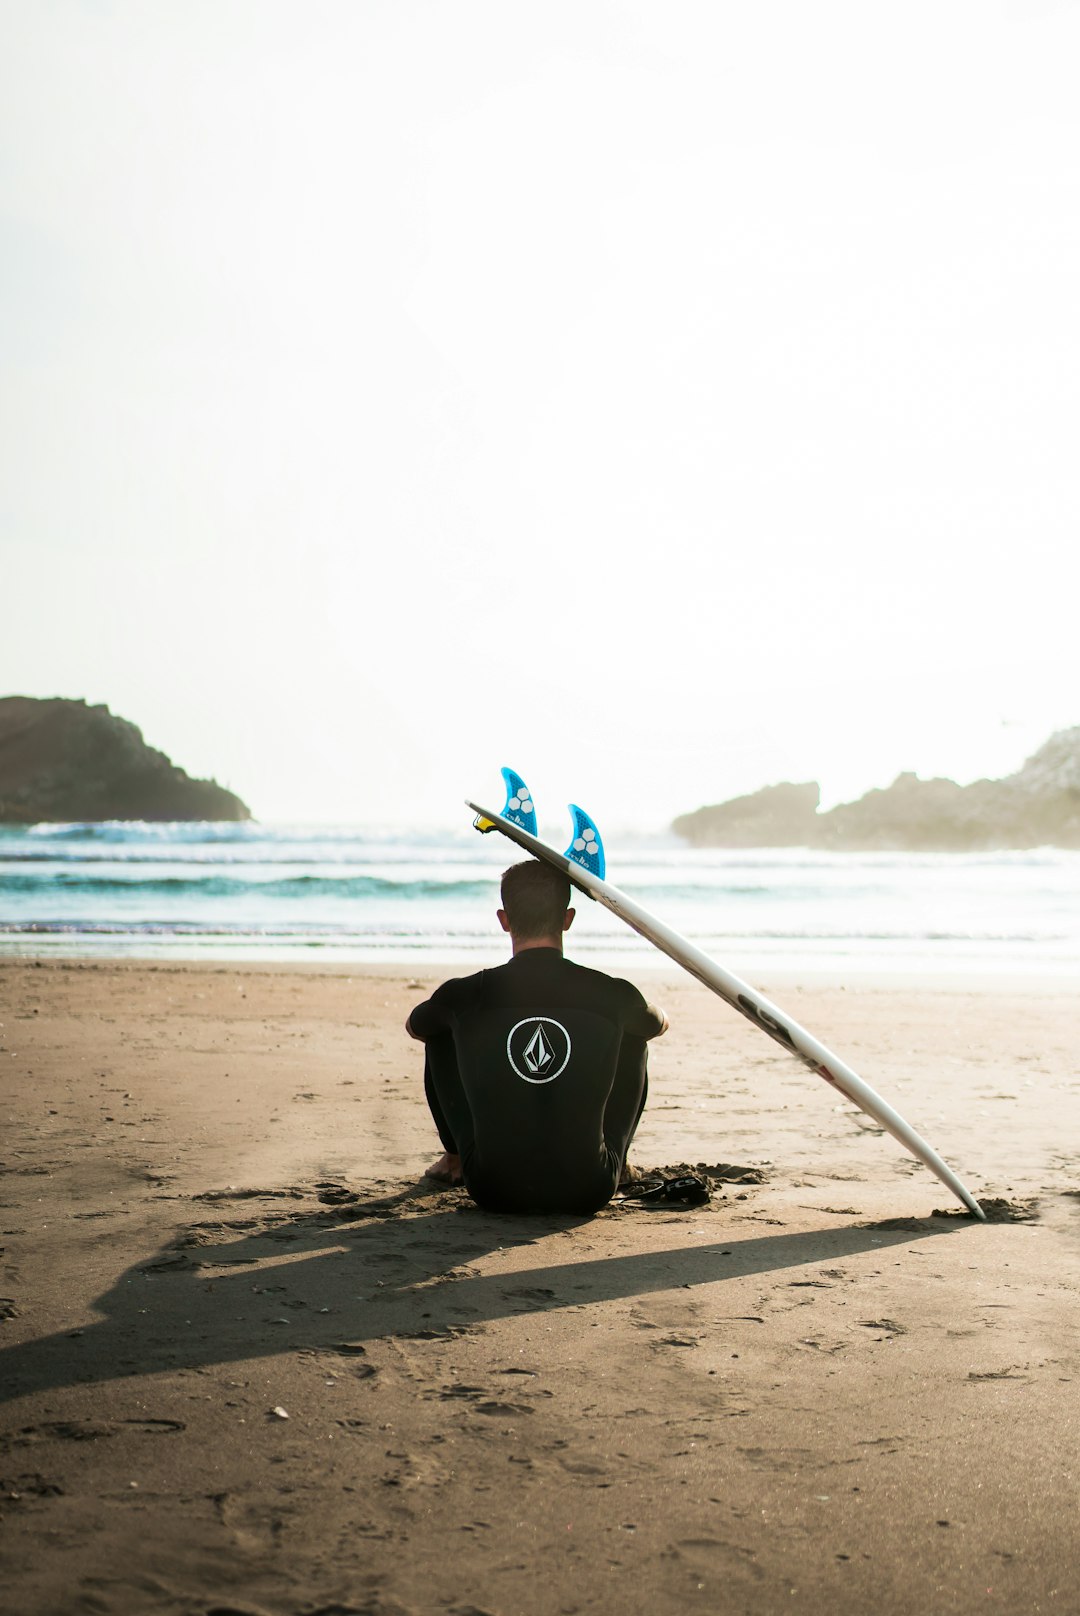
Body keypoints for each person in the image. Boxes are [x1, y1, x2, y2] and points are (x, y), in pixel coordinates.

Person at [406, 858, 668, 1214]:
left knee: (442, 1030)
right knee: (633, 1034)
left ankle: (455, 1159)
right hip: (590, 1188)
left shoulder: (467, 994)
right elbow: (657, 1024)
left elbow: (415, 1027)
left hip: (492, 1188)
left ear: (504, 920)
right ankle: (617, 1163)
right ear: (568, 919)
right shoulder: (610, 993)